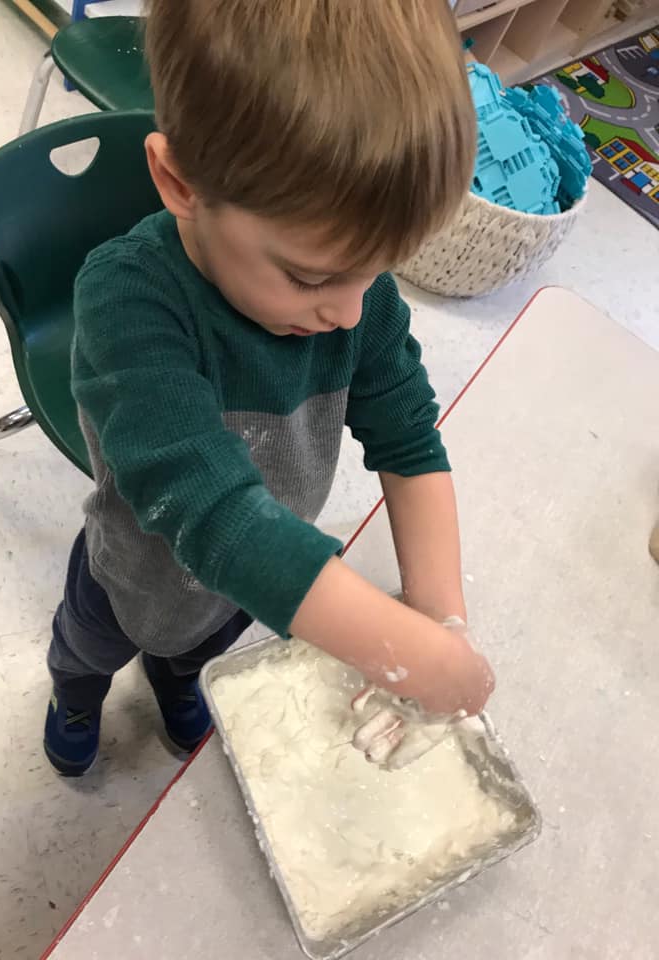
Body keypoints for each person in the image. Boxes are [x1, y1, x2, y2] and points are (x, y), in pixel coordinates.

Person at [43, 0, 494, 777]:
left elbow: (411, 441)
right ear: (179, 182)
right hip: (132, 574)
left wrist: (438, 616)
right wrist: (399, 647)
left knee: (196, 658)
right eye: (311, 277)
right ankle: (74, 698)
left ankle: (179, 682)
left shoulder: (356, 301)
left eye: (374, 272)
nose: (349, 312)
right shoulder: (128, 302)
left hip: (243, 593)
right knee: (88, 648)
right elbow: (218, 519)